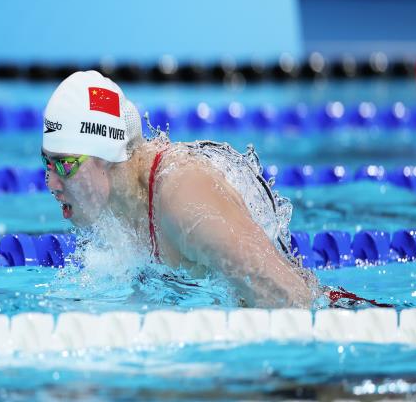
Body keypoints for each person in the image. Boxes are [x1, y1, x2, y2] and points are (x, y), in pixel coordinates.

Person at [41, 70, 318, 308]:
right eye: (47, 163)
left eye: (64, 165)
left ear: (106, 155)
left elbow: (291, 299)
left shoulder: (183, 197)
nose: (51, 184)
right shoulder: (116, 209)